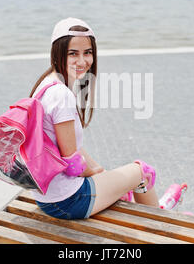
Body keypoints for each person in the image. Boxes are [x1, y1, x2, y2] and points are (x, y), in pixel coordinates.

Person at [28, 17, 175, 220]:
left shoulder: (44, 84)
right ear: (57, 53)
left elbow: (67, 146)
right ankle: (162, 224)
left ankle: (151, 208)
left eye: (87, 52)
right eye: (73, 53)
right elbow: (73, 166)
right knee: (144, 171)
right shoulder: (61, 95)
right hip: (69, 201)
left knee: (117, 183)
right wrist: (97, 174)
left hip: (47, 197)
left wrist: (98, 171)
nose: (82, 61)